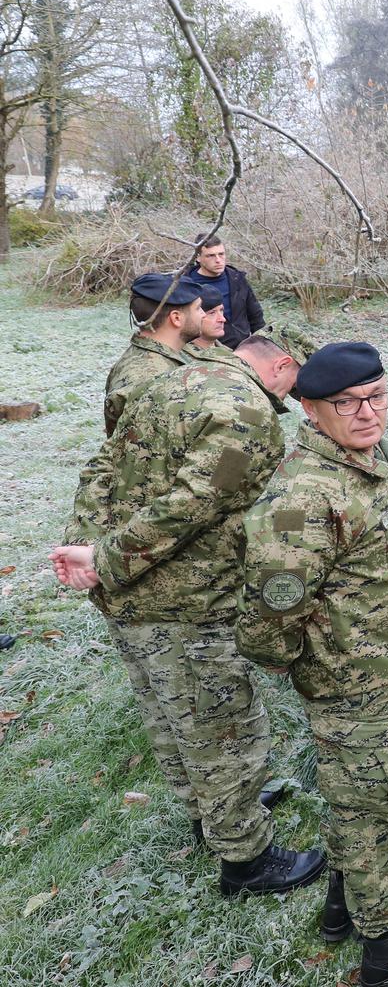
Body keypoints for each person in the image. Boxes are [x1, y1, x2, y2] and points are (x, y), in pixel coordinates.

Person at [51, 325, 324, 896]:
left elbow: (102, 467)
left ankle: (213, 818)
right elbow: (188, 508)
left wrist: (87, 549)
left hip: (130, 599)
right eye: (301, 385)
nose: (299, 399)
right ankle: (246, 859)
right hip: (186, 602)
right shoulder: (248, 412)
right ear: (283, 364)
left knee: (172, 717)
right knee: (220, 730)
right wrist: (105, 558)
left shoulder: (177, 379)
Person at [239, 343, 388, 986]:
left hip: (387, 666)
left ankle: (342, 903)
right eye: (347, 403)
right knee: (380, 811)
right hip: (354, 685)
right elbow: (271, 603)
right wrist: (286, 660)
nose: (368, 414)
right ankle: (387, 942)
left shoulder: (366, 453)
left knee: (356, 796)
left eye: (378, 396)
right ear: (309, 409)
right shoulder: (299, 497)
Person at [103, 272, 205, 436]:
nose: (204, 314)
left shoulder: (160, 358)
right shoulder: (150, 378)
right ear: (176, 318)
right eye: (198, 308)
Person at [182, 232, 265, 348]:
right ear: (198, 257)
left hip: (243, 347)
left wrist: (261, 344)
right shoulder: (186, 285)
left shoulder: (236, 278)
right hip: (206, 352)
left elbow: (256, 316)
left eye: (221, 254)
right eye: (210, 255)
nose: (218, 260)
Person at [186, 290, 229, 354]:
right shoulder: (181, 356)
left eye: (221, 310)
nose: (223, 319)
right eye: (212, 313)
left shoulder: (228, 352)